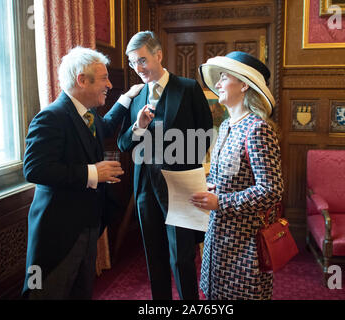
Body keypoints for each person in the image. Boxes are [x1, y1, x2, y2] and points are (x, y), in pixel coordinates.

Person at [22, 47, 144, 299]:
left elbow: (107, 126)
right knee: (47, 292)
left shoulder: (87, 115)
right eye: (104, 79)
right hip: (58, 233)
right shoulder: (51, 117)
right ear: (82, 80)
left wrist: (128, 100)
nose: (110, 84)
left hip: (87, 226)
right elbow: (35, 169)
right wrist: (92, 172)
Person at [112, 31, 213, 300]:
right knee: (154, 255)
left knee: (181, 256)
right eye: (133, 63)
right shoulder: (135, 97)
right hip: (145, 186)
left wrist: (185, 167)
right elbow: (123, 144)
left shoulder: (188, 88)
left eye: (143, 60)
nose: (138, 68)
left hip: (180, 185)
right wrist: (138, 127)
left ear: (158, 55)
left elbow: (205, 133)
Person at [190, 51, 284, 300]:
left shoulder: (257, 129)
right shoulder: (226, 126)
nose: (217, 84)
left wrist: (220, 202)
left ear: (244, 84)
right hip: (218, 239)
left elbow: (271, 190)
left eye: (223, 78)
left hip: (245, 247)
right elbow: (229, 178)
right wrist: (211, 188)